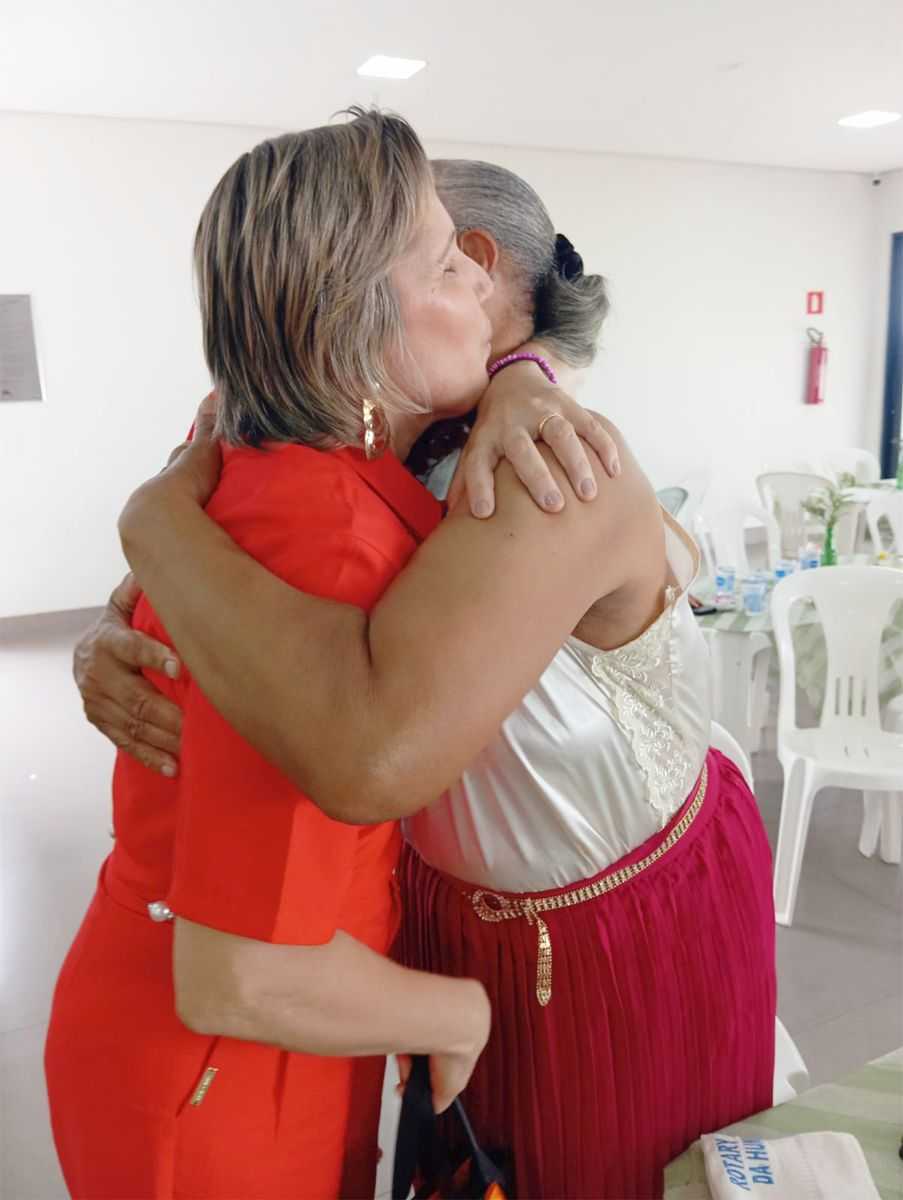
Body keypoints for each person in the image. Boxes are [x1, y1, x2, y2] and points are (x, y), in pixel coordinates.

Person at [74, 157, 776, 1199]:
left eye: (452, 255)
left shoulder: (548, 461)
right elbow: (196, 566)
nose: (458, 273)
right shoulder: (324, 434)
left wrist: (149, 519)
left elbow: (370, 754)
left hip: (608, 917)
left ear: (481, 266)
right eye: (431, 255)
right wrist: (110, 622)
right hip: (435, 925)